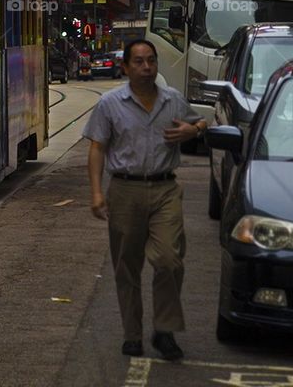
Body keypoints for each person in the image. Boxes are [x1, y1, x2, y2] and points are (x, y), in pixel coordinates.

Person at [84, 38, 208, 362]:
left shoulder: (174, 100)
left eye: (151, 61)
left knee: (169, 260)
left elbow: (202, 121)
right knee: (127, 267)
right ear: (125, 67)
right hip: (125, 191)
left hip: (166, 189)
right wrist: (97, 192)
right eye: (138, 61)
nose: (146, 67)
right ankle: (132, 335)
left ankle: (164, 330)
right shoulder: (109, 103)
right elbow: (96, 148)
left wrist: (193, 131)